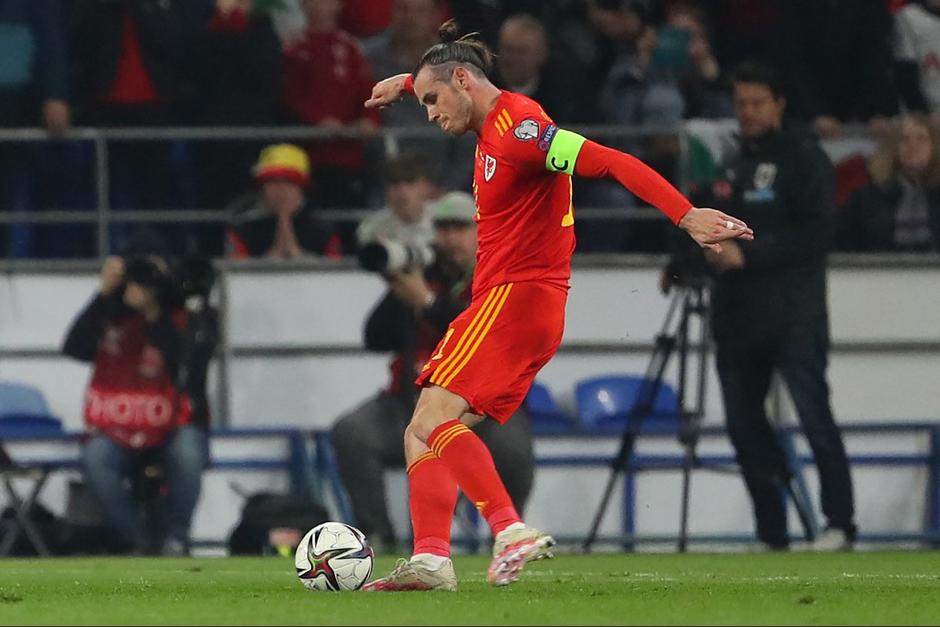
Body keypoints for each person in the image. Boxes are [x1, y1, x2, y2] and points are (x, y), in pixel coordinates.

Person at [359, 20, 753, 591]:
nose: (428, 113)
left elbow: (610, 160)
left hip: (514, 298)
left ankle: (508, 529)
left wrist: (685, 214)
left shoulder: (520, 129)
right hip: (528, 304)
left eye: (431, 100)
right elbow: (453, 83)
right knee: (422, 432)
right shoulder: (491, 120)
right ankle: (432, 559)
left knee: (431, 417)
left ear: (464, 81)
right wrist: (411, 81)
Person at [664, 62, 857, 552]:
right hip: (737, 318)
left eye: (756, 103)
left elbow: (817, 234)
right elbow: (705, 223)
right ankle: (772, 533)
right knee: (744, 427)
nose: (747, 113)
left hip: (794, 313)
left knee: (814, 417)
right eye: (741, 103)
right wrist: (683, 262)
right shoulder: (731, 163)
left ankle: (840, 524)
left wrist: (746, 254)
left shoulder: (805, 158)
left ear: (778, 104)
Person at [333, 191, 534, 552]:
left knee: (513, 447)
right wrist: (401, 292)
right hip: (409, 400)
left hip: (478, 408)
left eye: (459, 228)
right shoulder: (427, 273)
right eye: (442, 229)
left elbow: (487, 335)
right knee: (352, 432)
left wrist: (427, 304)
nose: (450, 238)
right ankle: (379, 537)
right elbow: (374, 337)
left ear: (480, 231)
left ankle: (507, 536)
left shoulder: (497, 276)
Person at [62, 255, 217, 555]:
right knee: (95, 457)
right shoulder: (110, 315)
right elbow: (74, 347)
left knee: (188, 452)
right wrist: (104, 294)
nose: (140, 287)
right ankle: (136, 540)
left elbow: (188, 367)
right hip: (117, 430)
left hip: (172, 428)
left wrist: (157, 311)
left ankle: (175, 539)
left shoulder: (184, 321)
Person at [838, 114, 940, 252]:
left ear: (934, 147)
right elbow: (842, 246)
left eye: (922, 139)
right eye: (905, 139)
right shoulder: (865, 198)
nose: (913, 145)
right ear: (893, 148)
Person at [226, 144, 342, 259]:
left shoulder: (324, 228)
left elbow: (336, 272)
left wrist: (296, 252)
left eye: (289, 181)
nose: (281, 189)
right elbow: (234, 272)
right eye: (272, 181)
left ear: (302, 187)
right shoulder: (244, 227)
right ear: (262, 187)